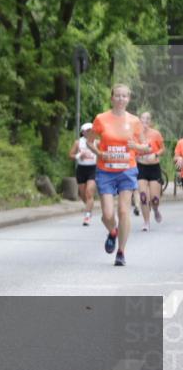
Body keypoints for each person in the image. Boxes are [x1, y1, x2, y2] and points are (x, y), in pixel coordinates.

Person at [88, 84, 149, 266]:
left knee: (123, 211)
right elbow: (90, 141)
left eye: (124, 96)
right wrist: (100, 153)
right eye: (118, 96)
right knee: (107, 214)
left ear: (128, 99)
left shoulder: (134, 121)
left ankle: (121, 252)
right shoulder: (101, 119)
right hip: (106, 171)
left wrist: (135, 147)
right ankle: (112, 231)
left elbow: (145, 147)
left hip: (127, 170)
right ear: (112, 98)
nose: (121, 99)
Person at [137, 112, 165, 231]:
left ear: (150, 121)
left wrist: (155, 154)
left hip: (154, 168)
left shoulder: (156, 134)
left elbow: (163, 149)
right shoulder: (135, 134)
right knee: (143, 197)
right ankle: (146, 222)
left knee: (154, 199)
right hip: (141, 168)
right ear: (139, 120)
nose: (145, 121)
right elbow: (131, 148)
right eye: (143, 118)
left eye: (148, 119)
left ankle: (155, 209)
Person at [69, 122, 98, 226]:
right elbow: (70, 155)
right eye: (88, 131)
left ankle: (87, 215)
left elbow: (103, 153)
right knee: (82, 194)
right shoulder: (78, 142)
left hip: (93, 169)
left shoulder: (96, 142)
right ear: (83, 132)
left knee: (89, 193)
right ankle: (89, 207)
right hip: (81, 169)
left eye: (91, 130)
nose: (90, 132)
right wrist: (78, 156)